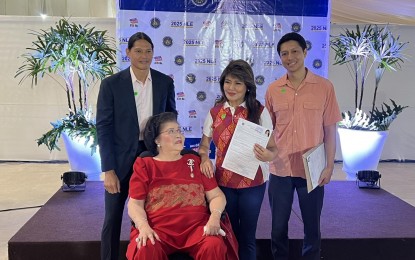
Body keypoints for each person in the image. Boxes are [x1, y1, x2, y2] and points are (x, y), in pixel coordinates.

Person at [96, 32, 177, 260]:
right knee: (112, 219)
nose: (144, 56)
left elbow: (171, 117)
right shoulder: (111, 84)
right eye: (139, 51)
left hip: (152, 158)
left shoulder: (164, 82)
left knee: (150, 217)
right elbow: (103, 127)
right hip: (120, 161)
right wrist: (108, 169)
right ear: (128, 52)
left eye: (148, 51)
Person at [264, 32, 342, 260]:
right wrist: (264, 153)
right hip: (280, 169)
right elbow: (269, 130)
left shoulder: (324, 87)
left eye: (295, 51)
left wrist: (329, 166)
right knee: (277, 228)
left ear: (305, 52)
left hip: (313, 170)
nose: (290, 57)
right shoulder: (273, 89)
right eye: (284, 54)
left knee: (312, 228)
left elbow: (330, 130)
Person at [126, 112, 239, 260]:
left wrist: (215, 217)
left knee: (214, 244)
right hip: (159, 229)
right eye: (171, 131)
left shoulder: (195, 161)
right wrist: (143, 226)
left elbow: (216, 195)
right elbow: (135, 204)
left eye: (179, 130)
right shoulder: (145, 164)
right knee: (146, 247)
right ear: (156, 140)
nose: (178, 135)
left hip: (197, 228)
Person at [198, 59, 277, 260]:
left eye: (238, 83)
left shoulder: (259, 111)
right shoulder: (215, 112)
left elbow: (273, 149)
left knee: (247, 236)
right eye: (228, 82)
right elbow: (204, 146)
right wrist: (204, 158)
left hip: (253, 183)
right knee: (227, 234)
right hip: (223, 184)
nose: (231, 88)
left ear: (247, 86)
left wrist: (267, 156)